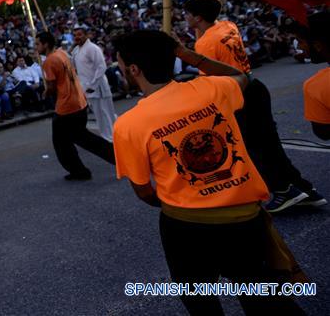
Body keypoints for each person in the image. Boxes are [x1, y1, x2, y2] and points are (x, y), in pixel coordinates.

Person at [112, 30, 304, 316]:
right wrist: (188, 54)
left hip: (185, 225)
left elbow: (144, 191)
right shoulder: (212, 88)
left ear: (134, 69)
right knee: (264, 298)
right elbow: (244, 77)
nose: (120, 70)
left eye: (120, 64)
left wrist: (184, 197)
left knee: (199, 299)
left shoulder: (128, 125)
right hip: (245, 218)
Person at [184, 0, 323, 212]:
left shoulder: (204, 44)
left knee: (254, 147)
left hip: (238, 94)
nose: (185, 18)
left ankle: (283, 190)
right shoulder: (227, 25)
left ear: (198, 17)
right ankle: (301, 188)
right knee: (270, 143)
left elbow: (209, 78)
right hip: (255, 85)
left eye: (188, 14)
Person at [37, 31, 114, 180]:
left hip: (67, 106)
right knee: (81, 138)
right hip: (78, 101)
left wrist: (46, 92)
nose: (36, 47)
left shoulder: (50, 61)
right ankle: (111, 159)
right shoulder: (62, 53)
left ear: (45, 44)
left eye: (38, 44)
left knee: (62, 142)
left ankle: (80, 171)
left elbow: (52, 87)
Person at [70, 26, 118, 142]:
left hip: (98, 87)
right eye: (75, 35)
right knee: (100, 115)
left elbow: (101, 67)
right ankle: (110, 136)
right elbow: (74, 67)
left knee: (107, 113)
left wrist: (93, 85)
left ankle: (112, 138)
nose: (77, 37)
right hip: (86, 88)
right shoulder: (76, 50)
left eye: (80, 34)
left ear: (86, 35)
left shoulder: (92, 48)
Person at [301, 11, 330, 141]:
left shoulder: (316, 85)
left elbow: (323, 132)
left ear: (317, 45)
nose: (300, 47)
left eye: (300, 41)